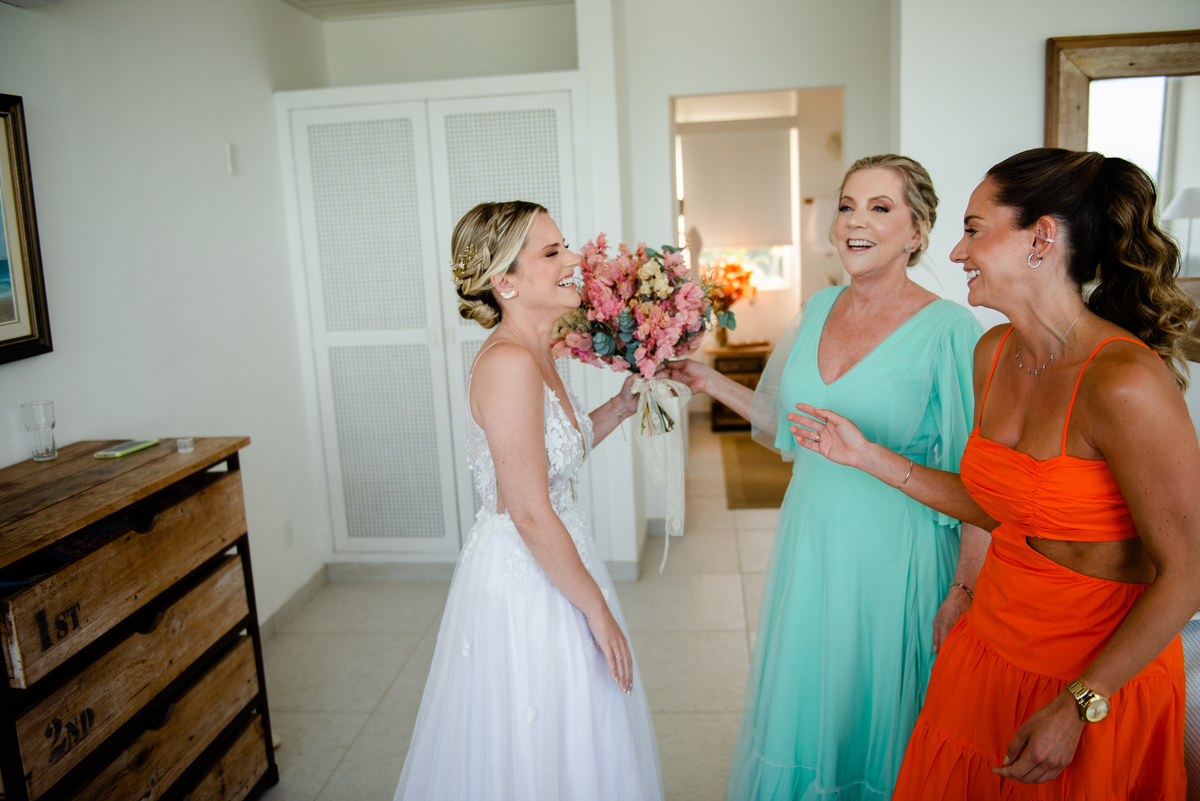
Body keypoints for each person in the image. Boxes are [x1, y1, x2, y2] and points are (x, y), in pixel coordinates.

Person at [790, 148, 1200, 797]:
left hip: (1091, 673)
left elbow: (1189, 570)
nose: (957, 252)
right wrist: (866, 455)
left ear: (1041, 239)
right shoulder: (994, 353)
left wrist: (1081, 702)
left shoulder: (1124, 381)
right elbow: (995, 504)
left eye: (974, 229)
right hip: (987, 646)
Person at [666, 155, 987, 800]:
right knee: (811, 706)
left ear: (917, 231)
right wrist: (707, 380)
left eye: (880, 207)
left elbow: (978, 486)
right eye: (846, 206)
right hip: (811, 541)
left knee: (877, 715)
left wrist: (963, 589)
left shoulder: (951, 330)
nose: (855, 222)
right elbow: (787, 422)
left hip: (895, 556)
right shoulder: (817, 308)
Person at [394, 201, 663, 801]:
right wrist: (597, 610)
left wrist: (621, 407)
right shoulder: (511, 362)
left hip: (558, 555)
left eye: (565, 246)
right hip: (527, 572)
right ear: (505, 282)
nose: (575, 259)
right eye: (552, 252)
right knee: (538, 734)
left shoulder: (536, 349)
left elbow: (555, 453)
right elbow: (529, 510)